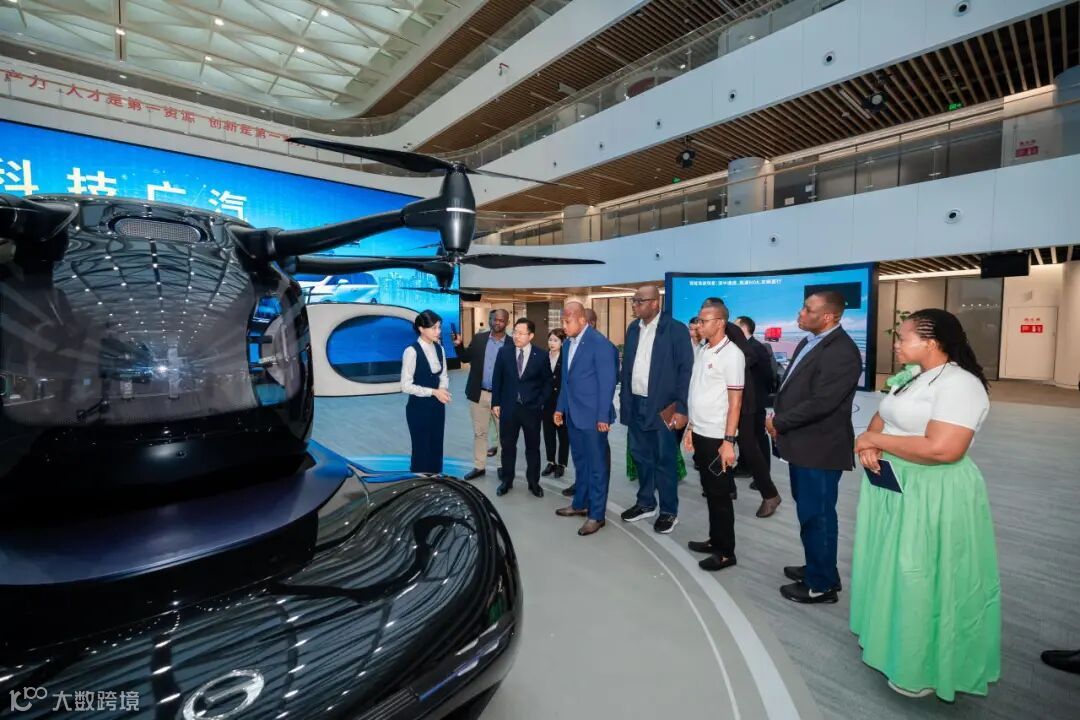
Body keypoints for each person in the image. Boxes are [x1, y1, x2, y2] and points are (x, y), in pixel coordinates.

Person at [850, 309, 1000, 701]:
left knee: (922, 576)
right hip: (896, 485)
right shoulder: (913, 377)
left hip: (933, 492)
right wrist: (871, 443)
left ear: (931, 343)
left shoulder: (960, 384)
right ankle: (892, 644)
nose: (896, 344)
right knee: (894, 569)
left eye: (903, 337)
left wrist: (874, 442)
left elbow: (943, 449)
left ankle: (924, 667)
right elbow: (882, 418)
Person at [767, 291, 861, 604]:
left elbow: (823, 402)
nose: (800, 313)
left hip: (819, 447)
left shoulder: (841, 351)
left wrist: (780, 422)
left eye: (808, 309)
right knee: (810, 513)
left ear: (828, 316)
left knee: (818, 515)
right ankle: (818, 567)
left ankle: (822, 585)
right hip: (804, 444)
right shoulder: (811, 341)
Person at [618, 285, 693, 534]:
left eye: (639, 301)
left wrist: (681, 409)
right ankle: (646, 503)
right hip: (636, 403)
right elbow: (628, 370)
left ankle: (669, 511)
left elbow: (685, 371)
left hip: (664, 408)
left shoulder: (675, 329)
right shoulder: (633, 329)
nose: (634, 305)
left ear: (655, 303)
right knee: (640, 456)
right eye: (633, 300)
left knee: (665, 460)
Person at [683, 300, 744, 571]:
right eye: (698, 320)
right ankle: (715, 539)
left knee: (720, 495)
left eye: (703, 320)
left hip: (718, 436)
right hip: (701, 431)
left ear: (720, 323)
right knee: (710, 491)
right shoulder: (704, 349)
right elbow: (698, 392)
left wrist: (728, 442)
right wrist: (691, 427)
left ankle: (726, 552)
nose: (699, 325)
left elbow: (735, 403)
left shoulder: (732, 355)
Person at [554, 302, 618, 536]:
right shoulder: (567, 344)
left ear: (582, 320)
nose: (564, 325)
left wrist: (603, 416)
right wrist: (560, 408)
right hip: (574, 414)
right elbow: (566, 381)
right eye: (563, 321)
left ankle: (597, 515)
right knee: (580, 463)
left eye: (567, 321)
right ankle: (580, 503)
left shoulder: (600, 344)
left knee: (597, 467)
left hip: (594, 418)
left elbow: (607, 384)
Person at [723, 315, 782, 518]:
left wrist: (756, 399)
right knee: (739, 444)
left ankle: (767, 490)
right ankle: (732, 485)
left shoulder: (750, 351)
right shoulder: (720, 350)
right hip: (735, 405)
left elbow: (765, 377)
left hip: (749, 405)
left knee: (751, 443)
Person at [491, 318, 552, 498]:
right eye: (515, 332)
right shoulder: (504, 352)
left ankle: (533, 482)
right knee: (507, 446)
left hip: (531, 409)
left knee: (532, 448)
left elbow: (548, 382)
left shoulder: (541, 355)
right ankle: (506, 481)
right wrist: (496, 403)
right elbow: (497, 379)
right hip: (508, 408)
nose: (516, 336)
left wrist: (540, 401)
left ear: (531, 336)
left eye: (521, 333)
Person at [452, 309, 508, 480]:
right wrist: (459, 345)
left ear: (507, 322)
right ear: (490, 320)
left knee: (503, 435)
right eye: (495, 319)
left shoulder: (512, 344)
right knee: (480, 433)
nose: (497, 322)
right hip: (479, 394)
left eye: (501, 320)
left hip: (502, 398)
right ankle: (479, 466)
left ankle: (502, 466)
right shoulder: (479, 339)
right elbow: (465, 358)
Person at [401, 310, 451, 473]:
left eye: (439, 327)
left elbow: (443, 375)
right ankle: (419, 481)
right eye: (434, 328)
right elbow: (405, 386)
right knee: (421, 448)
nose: (438, 331)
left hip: (438, 407)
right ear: (421, 329)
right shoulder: (411, 351)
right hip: (418, 408)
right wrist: (434, 392)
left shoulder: (440, 349)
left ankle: (435, 479)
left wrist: (442, 389)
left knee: (437, 445)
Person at [734, 316, 777, 480]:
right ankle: (745, 467)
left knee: (758, 437)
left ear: (743, 328)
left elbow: (765, 376)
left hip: (755, 401)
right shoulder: (743, 346)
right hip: (744, 401)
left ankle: (763, 475)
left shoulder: (756, 348)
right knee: (744, 437)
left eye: (735, 326)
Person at [541, 329, 569, 479]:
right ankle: (551, 462)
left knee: (563, 435)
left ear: (562, 342)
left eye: (555, 340)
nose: (552, 343)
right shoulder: (544, 357)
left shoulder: (566, 358)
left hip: (561, 402)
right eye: (550, 340)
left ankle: (562, 464)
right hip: (547, 402)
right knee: (548, 434)